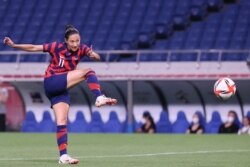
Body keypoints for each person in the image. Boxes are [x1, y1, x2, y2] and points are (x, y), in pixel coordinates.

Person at [3, 25, 117, 164]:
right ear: (66, 41)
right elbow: (34, 47)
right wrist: (14, 45)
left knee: (62, 122)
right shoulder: (56, 46)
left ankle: (63, 156)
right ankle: (99, 97)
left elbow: (98, 57)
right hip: (52, 81)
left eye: (77, 41)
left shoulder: (82, 49)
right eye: (72, 41)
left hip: (61, 89)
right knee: (88, 72)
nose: (75, 44)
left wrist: (94, 55)